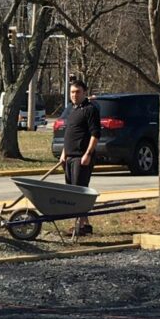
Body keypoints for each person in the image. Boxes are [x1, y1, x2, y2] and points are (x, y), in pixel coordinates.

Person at [59, 77, 101, 235]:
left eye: (77, 92)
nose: (74, 95)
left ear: (85, 93)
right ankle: (85, 224)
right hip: (69, 157)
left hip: (81, 158)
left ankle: (79, 226)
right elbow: (69, 134)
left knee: (78, 193)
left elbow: (95, 134)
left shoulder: (90, 109)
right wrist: (64, 153)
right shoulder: (72, 110)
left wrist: (88, 154)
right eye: (72, 92)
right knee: (73, 191)